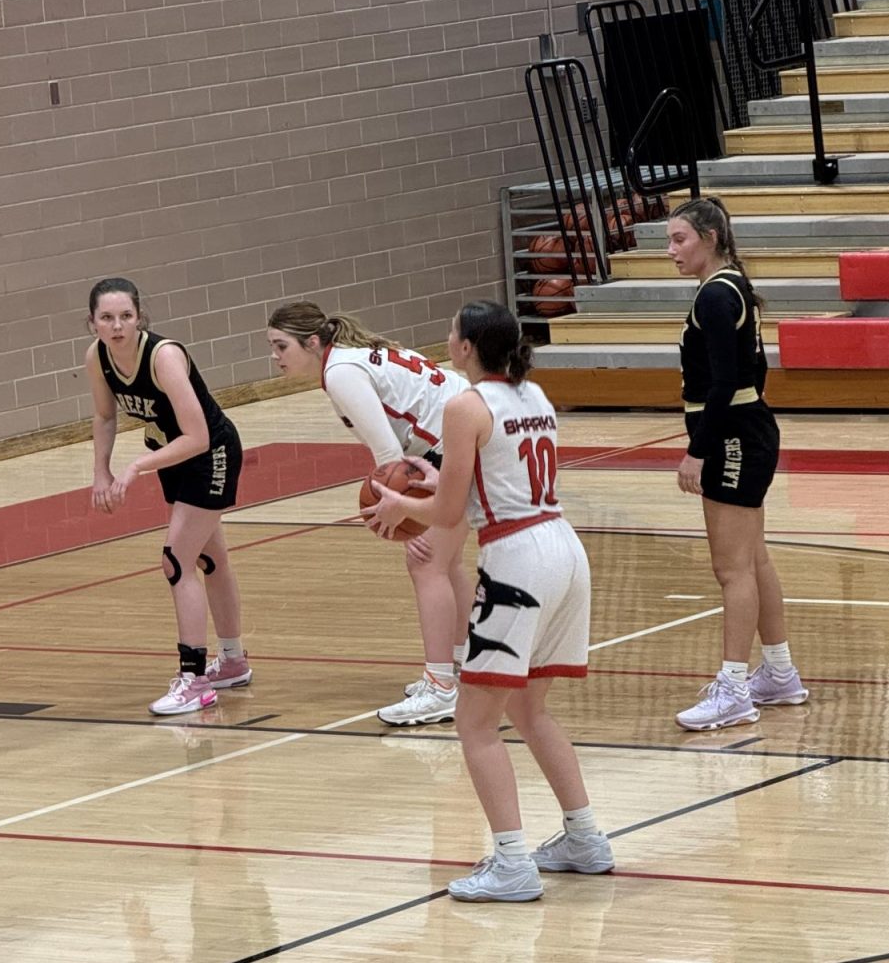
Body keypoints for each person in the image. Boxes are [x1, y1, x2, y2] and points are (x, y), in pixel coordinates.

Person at [364, 300, 613, 902]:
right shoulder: (535, 396)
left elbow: (448, 513)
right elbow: (481, 482)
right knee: (530, 710)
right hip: (563, 547)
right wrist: (432, 486)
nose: (446, 339)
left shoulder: (462, 405)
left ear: (467, 346)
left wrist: (402, 507)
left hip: (518, 559)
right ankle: (583, 837)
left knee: (474, 722)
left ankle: (511, 863)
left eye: (451, 332)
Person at [267, 302, 475, 725]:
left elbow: (389, 455)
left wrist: (402, 509)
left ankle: (440, 688)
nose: (275, 356)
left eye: (281, 346)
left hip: (457, 444)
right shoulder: (348, 358)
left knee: (426, 563)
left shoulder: (341, 372)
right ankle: (464, 667)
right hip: (464, 435)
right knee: (446, 562)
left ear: (311, 343)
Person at [666, 198, 809, 731]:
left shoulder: (717, 298)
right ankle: (778, 672)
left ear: (709, 236)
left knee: (731, 569)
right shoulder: (730, 287)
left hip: (731, 439)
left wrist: (697, 450)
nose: (672, 251)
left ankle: (732, 690)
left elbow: (728, 380)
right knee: (754, 561)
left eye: (680, 239)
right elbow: (757, 368)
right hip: (746, 433)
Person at [86, 277, 249, 716]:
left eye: (125, 316)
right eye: (107, 318)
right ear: (92, 323)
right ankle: (232, 661)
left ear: (140, 317)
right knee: (208, 560)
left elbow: (197, 435)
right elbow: (104, 416)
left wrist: (136, 467)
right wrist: (100, 471)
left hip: (209, 453)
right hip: (171, 457)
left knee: (176, 561)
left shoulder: (164, 357)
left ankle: (194, 679)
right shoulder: (97, 357)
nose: (117, 326)